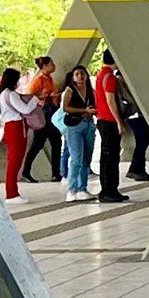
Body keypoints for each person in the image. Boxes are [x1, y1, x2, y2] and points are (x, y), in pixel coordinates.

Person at [0, 67, 39, 204]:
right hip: (16, 127)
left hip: (9, 127)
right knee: (15, 162)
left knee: (13, 161)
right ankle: (11, 193)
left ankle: (12, 192)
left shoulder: (1, 93)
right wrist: (35, 100)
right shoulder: (11, 94)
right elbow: (25, 109)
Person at [92, 50, 129, 204]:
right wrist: (119, 121)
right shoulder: (110, 78)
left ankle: (111, 189)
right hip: (109, 121)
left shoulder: (101, 75)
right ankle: (108, 191)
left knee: (109, 157)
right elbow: (111, 101)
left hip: (103, 119)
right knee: (110, 157)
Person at [19, 56, 63, 182]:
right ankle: (26, 171)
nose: (53, 66)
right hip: (44, 114)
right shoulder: (38, 80)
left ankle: (56, 172)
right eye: (51, 64)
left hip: (51, 113)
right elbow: (30, 96)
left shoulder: (49, 79)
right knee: (39, 143)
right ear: (44, 66)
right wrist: (47, 96)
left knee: (55, 142)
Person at [58, 65, 97, 201]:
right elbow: (66, 107)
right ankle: (71, 189)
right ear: (73, 77)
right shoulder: (70, 90)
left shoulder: (91, 90)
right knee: (76, 158)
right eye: (77, 74)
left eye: (82, 73)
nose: (80, 76)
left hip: (89, 125)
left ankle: (82, 188)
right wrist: (84, 110)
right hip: (74, 125)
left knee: (86, 157)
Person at [115, 65, 149, 182]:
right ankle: (136, 169)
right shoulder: (121, 80)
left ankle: (138, 168)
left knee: (143, 141)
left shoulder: (121, 79)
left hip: (134, 113)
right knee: (142, 141)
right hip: (134, 113)